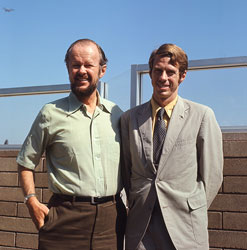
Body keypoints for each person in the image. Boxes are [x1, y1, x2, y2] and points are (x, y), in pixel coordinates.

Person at [17, 39, 126, 250]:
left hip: (111, 223)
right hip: (64, 220)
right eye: (75, 65)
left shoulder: (118, 115)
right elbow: (25, 163)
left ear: (102, 70)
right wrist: (31, 201)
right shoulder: (50, 113)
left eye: (88, 65)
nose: (81, 71)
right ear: (68, 68)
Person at [121, 43, 223, 250]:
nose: (163, 78)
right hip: (141, 228)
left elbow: (212, 175)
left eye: (171, 72)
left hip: (185, 228)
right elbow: (124, 172)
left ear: (182, 75)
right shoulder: (129, 119)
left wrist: (192, 208)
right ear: (150, 73)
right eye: (158, 71)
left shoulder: (202, 116)